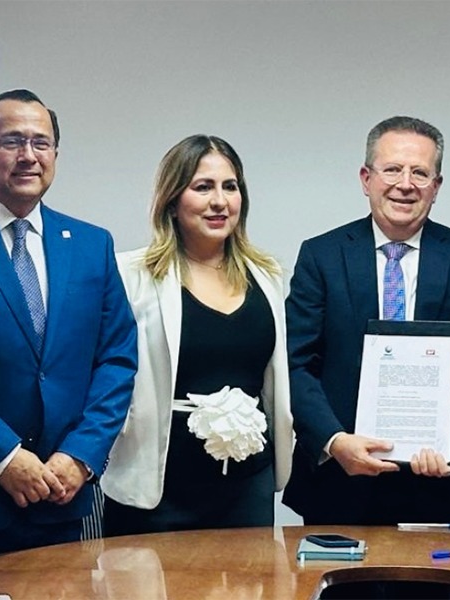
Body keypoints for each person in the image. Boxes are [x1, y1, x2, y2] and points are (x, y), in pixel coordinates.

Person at [0, 89, 137, 564]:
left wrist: (81, 454)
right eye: (11, 141)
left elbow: (117, 358)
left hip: (63, 495)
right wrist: (4, 456)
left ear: (55, 156)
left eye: (41, 143)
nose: (28, 155)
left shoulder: (91, 244)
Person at [283, 116, 450, 525]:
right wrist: (334, 440)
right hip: (338, 485)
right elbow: (296, 363)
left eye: (420, 173)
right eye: (392, 170)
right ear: (366, 179)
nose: (405, 184)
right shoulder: (321, 256)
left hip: (437, 485)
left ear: (436, 186)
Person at [99, 135, 292, 532]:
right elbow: (106, 375)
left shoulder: (266, 275)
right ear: (172, 200)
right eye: (203, 187)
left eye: (230, 187)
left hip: (247, 487)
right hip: (159, 487)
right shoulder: (131, 275)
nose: (219, 201)